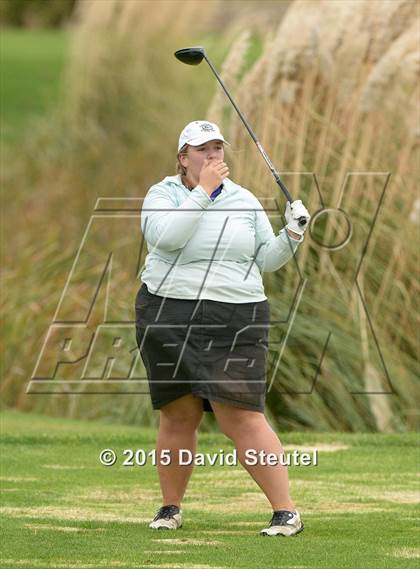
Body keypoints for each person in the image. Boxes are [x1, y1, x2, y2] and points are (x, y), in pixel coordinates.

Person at [135, 120, 310, 537]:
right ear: (183, 158)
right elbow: (167, 239)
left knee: (242, 416)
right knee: (178, 414)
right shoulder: (163, 195)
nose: (213, 156)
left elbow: (265, 260)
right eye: (202, 150)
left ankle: (286, 512)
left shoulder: (245, 199)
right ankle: (169, 508)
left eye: (218, 149)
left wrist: (292, 233)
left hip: (236, 315)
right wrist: (203, 193)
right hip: (167, 312)